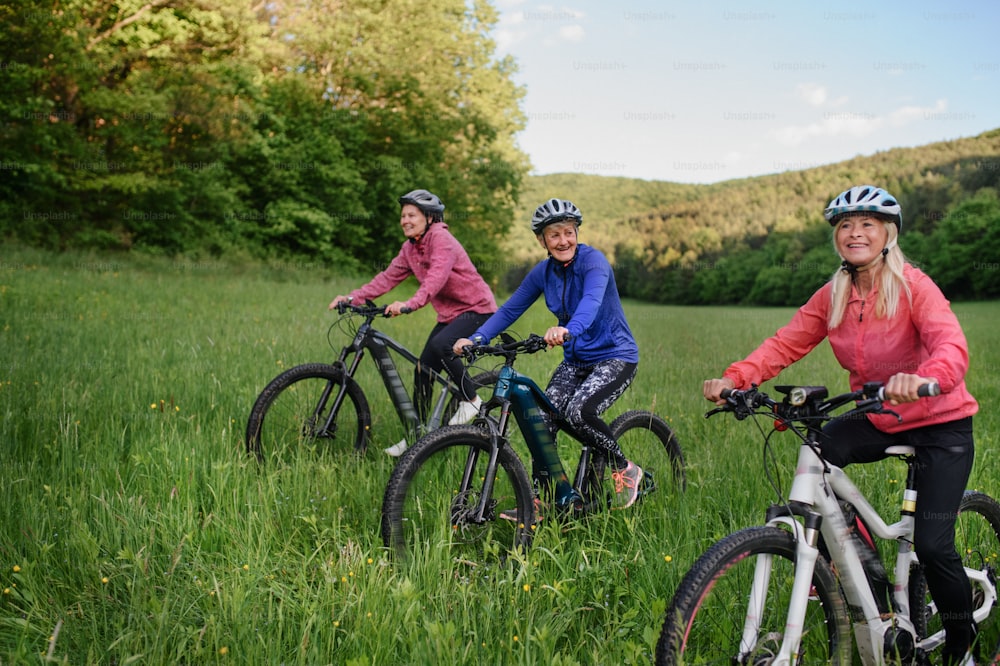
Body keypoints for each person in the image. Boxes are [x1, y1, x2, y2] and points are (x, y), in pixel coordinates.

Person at [702, 185, 979, 665]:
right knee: (820, 447)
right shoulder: (835, 294)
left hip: (940, 421)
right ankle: (858, 565)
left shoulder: (914, 286)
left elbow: (949, 343)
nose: (855, 233)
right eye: (846, 225)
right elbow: (786, 343)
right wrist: (736, 378)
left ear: (888, 234)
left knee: (933, 546)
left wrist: (925, 378)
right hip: (883, 415)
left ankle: (962, 646)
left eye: (867, 224)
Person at [453, 198, 644, 510]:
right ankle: (548, 497)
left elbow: (591, 302)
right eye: (554, 235)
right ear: (541, 240)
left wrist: (568, 329)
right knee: (540, 419)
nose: (563, 240)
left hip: (615, 356)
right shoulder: (543, 272)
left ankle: (624, 467)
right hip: (576, 360)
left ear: (577, 233)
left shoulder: (594, 263)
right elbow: (511, 308)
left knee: (580, 413)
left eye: (569, 232)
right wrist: (476, 337)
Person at [330, 189, 497, 457]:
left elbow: (435, 279)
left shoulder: (442, 240)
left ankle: (472, 400)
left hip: (477, 310)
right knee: (423, 370)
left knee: (443, 345)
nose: (405, 220)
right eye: (403, 216)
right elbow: (387, 278)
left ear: (429, 217)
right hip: (449, 315)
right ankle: (416, 436)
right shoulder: (411, 248)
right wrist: (353, 297)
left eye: (411, 215)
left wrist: (410, 304)